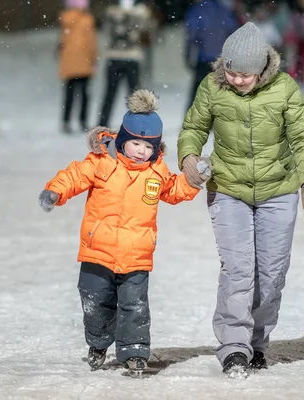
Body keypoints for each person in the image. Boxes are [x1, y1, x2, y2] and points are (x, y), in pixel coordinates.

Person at [177, 22, 304, 378]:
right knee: (238, 270)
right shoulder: (212, 86)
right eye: (232, 71)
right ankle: (234, 347)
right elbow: (194, 127)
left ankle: (257, 342)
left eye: (245, 74)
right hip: (228, 189)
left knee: (271, 274)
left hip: (278, 189)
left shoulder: (284, 88)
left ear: (262, 69)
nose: (237, 80)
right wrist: (188, 157)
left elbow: (303, 135)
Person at [39, 90, 210, 375]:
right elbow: (74, 175)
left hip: (136, 255)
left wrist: (194, 179)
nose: (141, 151)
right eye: (135, 143)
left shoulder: (156, 172)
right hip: (97, 252)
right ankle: (98, 343)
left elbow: (175, 190)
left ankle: (134, 351)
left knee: (135, 307)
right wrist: (55, 191)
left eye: (148, 146)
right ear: (121, 141)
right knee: (95, 302)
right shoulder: (101, 162)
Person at [97, 0, 152, 127]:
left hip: (114, 57)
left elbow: (105, 30)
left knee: (111, 93)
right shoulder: (139, 14)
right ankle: (138, 124)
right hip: (131, 57)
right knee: (134, 94)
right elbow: (147, 31)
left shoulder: (110, 14)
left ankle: (102, 124)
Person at [184, 0, 238, 109]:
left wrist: (188, 55)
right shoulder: (224, 10)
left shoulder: (198, 10)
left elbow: (191, 34)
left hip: (203, 59)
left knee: (198, 93)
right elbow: (233, 31)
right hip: (221, 61)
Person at [58, 0, 97, 134]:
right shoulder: (87, 19)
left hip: (69, 61)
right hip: (84, 60)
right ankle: (82, 120)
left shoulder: (66, 19)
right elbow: (91, 42)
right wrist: (93, 59)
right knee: (84, 94)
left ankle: (66, 121)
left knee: (69, 93)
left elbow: (63, 41)